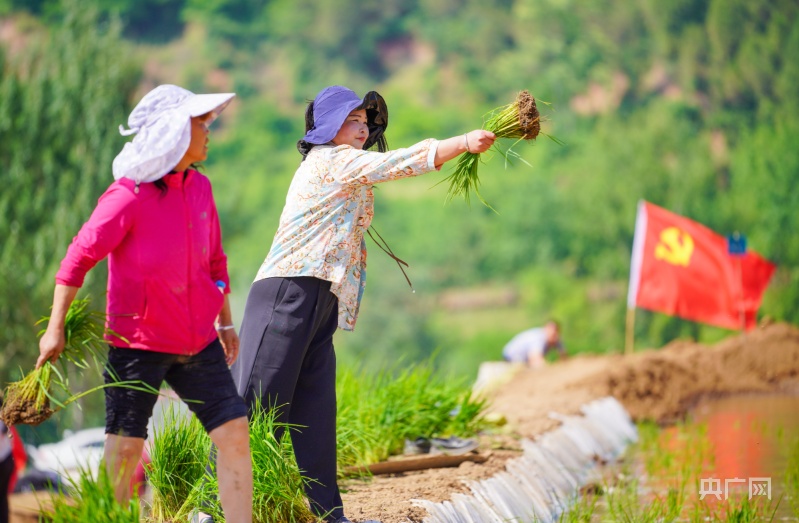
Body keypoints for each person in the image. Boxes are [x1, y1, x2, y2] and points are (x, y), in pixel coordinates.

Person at [230, 85, 495, 523]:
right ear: (329, 128)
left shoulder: (346, 166)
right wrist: (462, 143)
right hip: (287, 293)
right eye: (352, 120)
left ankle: (329, 515)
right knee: (257, 405)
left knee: (315, 411)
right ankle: (211, 509)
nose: (363, 127)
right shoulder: (330, 160)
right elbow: (397, 163)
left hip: (321, 298)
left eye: (365, 121)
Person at [36, 85, 252, 523]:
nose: (209, 131)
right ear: (174, 132)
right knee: (125, 449)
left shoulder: (201, 188)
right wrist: (54, 327)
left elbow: (215, 261)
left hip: (198, 343)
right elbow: (78, 258)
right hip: (137, 345)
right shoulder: (128, 196)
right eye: (200, 124)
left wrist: (226, 324)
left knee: (234, 434)